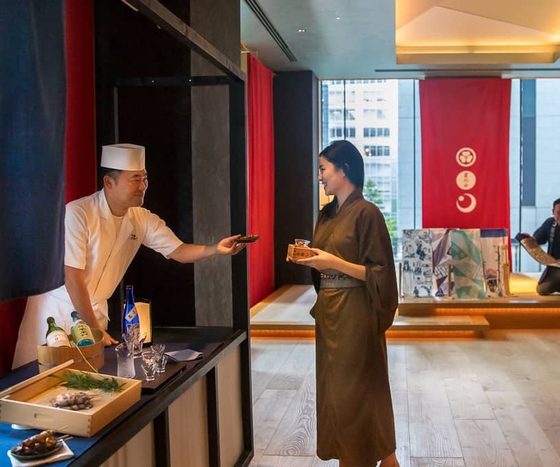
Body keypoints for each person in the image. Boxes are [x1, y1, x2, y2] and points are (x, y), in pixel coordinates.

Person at [13, 144, 248, 368]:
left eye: (145, 178)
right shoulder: (78, 213)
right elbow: (72, 278)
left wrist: (215, 249)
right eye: (135, 179)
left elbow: (179, 251)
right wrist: (95, 330)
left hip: (94, 316)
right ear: (109, 182)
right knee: (45, 385)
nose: (143, 185)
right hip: (57, 315)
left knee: (87, 388)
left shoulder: (140, 218)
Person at [292, 140, 399, 467]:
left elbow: (380, 272)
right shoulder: (327, 214)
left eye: (323, 169)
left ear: (344, 170)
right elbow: (324, 262)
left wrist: (332, 262)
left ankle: (358, 459)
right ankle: (379, 457)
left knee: (356, 387)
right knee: (335, 388)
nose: (320, 176)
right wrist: (310, 258)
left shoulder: (368, 213)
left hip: (355, 311)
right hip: (330, 310)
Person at [519, 198, 560, 299]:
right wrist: (529, 239)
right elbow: (539, 238)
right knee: (541, 290)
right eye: (558, 213)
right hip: (553, 267)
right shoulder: (549, 223)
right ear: (553, 212)